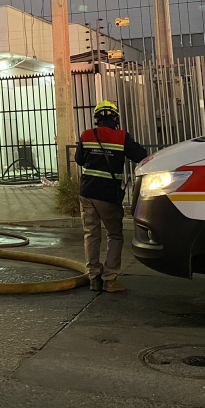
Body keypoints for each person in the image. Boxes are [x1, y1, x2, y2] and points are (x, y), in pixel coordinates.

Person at [74, 100, 147, 293]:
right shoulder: (121, 136)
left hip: (87, 192)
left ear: (97, 118)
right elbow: (141, 155)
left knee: (91, 233)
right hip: (107, 194)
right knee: (114, 234)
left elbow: (79, 160)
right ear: (115, 118)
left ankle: (93, 277)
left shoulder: (87, 135)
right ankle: (110, 278)